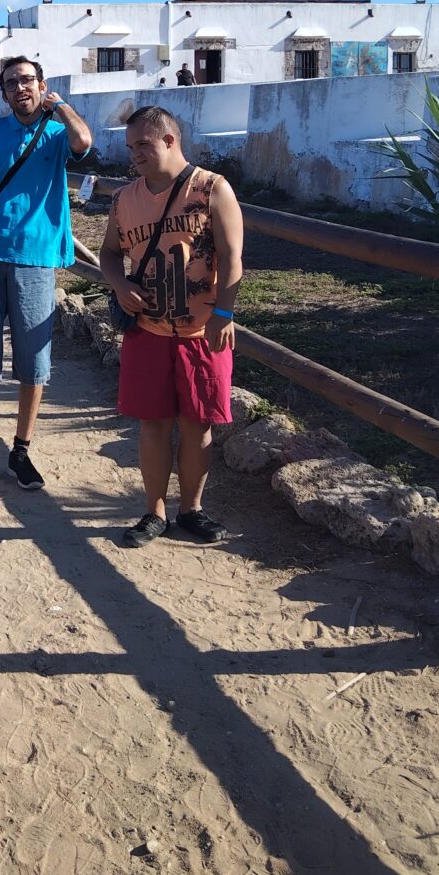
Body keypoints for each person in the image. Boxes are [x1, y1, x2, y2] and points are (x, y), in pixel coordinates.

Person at [98, 107, 244, 547]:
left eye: (143, 144)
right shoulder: (125, 199)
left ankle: (192, 509)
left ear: (169, 140)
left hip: (202, 331)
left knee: (198, 424)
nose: (135, 154)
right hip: (148, 329)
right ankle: (154, 511)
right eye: (131, 147)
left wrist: (224, 313)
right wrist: (120, 284)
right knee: (153, 423)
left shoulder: (212, 189)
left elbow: (232, 256)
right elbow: (109, 253)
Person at [0, 58, 92, 495]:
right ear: (4, 93)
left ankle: (21, 451)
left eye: (28, 80)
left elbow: (84, 141)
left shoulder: (56, 135)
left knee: (34, 365)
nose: (20, 88)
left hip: (37, 258)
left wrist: (60, 106)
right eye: (11, 83)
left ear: (41, 85)